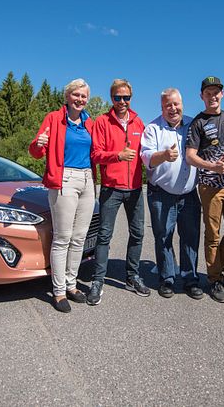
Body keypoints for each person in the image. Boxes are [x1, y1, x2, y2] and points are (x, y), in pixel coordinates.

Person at [29, 78, 96, 313]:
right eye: (76, 95)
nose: (80, 99)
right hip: (64, 180)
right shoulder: (53, 118)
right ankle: (58, 292)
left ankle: (71, 284)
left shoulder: (90, 122)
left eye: (84, 96)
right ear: (67, 96)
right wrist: (39, 143)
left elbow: (97, 153)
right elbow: (37, 152)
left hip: (87, 180)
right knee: (63, 237)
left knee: (79, 237)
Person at [87, 79, 149, 305]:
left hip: (134, 189)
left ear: (131, 98)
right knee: (104, 236)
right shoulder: (102, 121)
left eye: (126, 98)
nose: (122, 102)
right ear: (111, 98)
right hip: (111, 189)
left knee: (138, 233)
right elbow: (95, 154)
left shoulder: (138, 122)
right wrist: (117, 156)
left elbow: (147, 154)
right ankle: (98, 281)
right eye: (117, 97)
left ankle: (132, 277)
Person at [186, 76, 224, 303]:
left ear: (222, 94)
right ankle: (215, 280)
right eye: (208, 93)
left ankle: (217, 269)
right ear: (202, 96)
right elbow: (190, 156)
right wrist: (212, 166)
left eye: (216, 92)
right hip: (209, 186)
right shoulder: (198, 122)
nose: (212, 96)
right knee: (213, 234)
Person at [140, 88, 203, 300]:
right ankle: (167, 278)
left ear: (182, 104)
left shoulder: (193, 124)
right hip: (162, 194)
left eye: (176, 104)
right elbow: (146, 156)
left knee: (190, 237)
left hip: (189, 193)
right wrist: (164, 155)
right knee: (163, 236)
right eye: (168, 105)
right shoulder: (153, 128)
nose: (173, 108)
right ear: (162, 107)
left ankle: (190, 279)